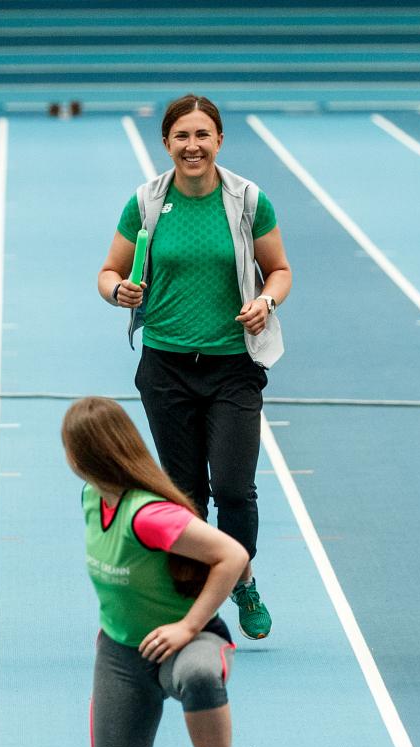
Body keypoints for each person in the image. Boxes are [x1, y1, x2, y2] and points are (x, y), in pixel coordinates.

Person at [96, 93, 291, 641]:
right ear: (166, 143)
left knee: (233, 487)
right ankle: (195, 599)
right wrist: (119, 291)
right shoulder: (147, 203)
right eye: (182, 136)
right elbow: (109, 271)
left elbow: (278, 270)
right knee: (183, 493)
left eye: (203, 135)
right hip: (167, 365)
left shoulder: (250, 200)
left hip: (233, 365)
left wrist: (266, 302)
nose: (193, 146)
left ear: (219, 140)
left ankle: (242, 578)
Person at [62, 396, 250, 747]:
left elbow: (234, 556)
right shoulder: (92, 496)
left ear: (83, 454)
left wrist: (187, 627)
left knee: (201, 675)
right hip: (122, 653)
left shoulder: (150, 515)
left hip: (185, 644)